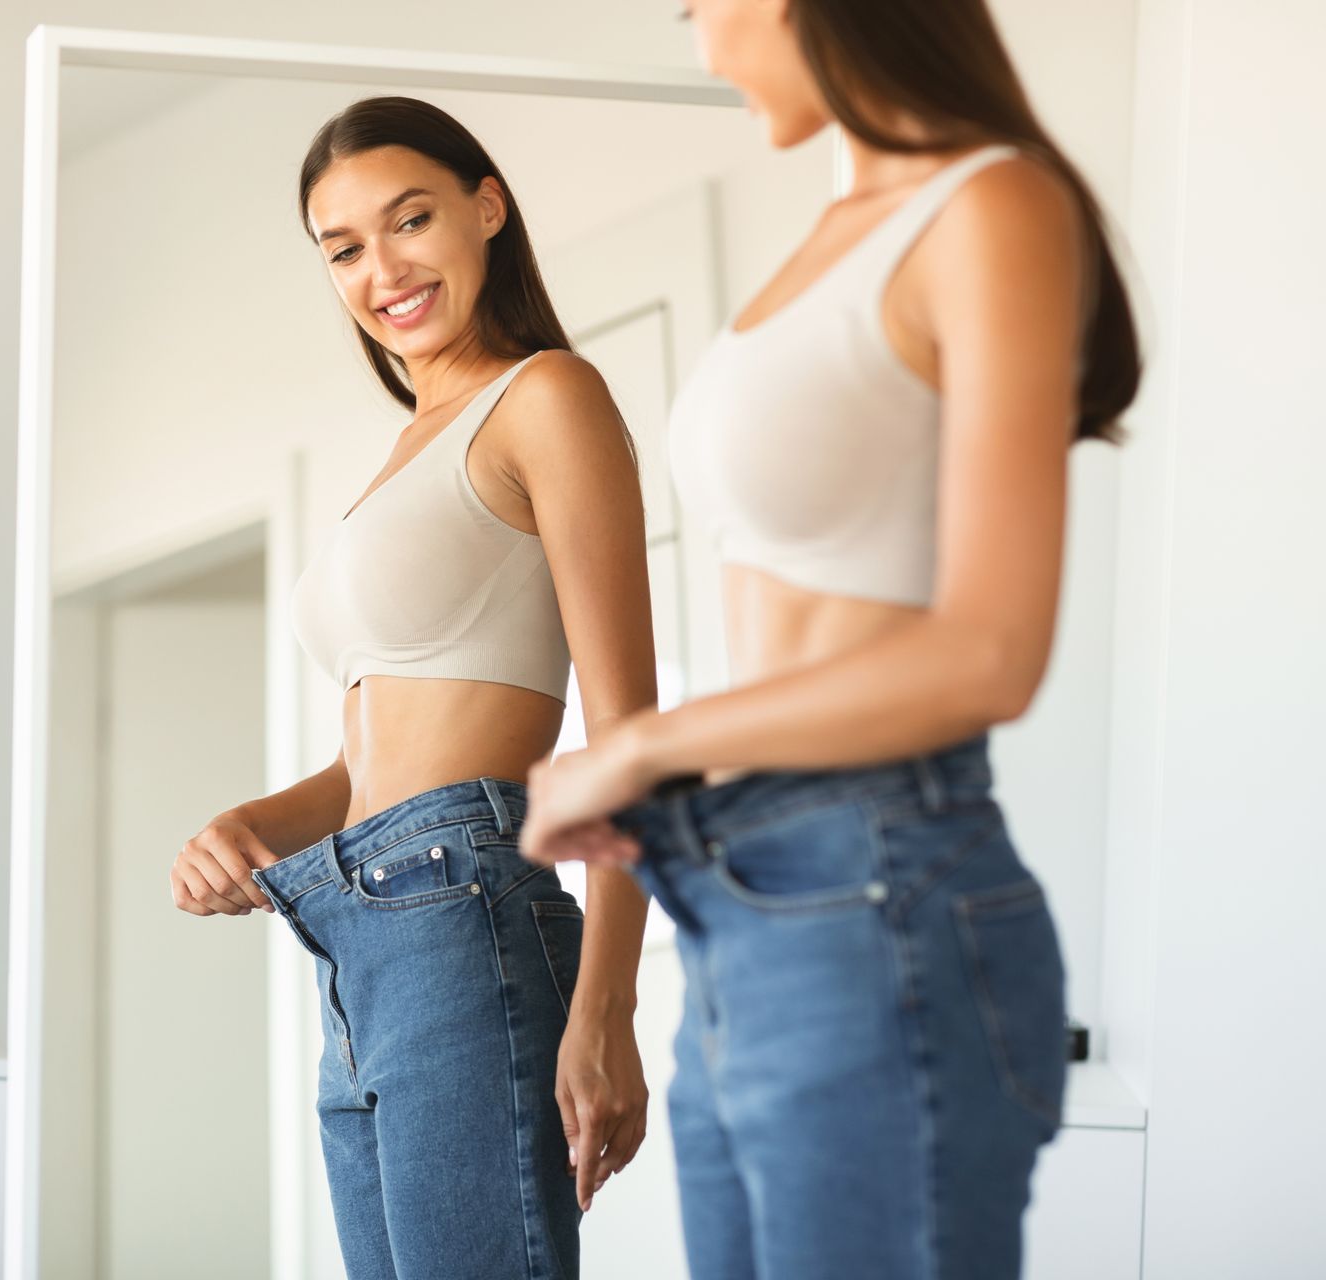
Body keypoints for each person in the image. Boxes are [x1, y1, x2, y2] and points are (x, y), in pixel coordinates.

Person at [517, 2, 1142, 1277]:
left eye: (698, 6)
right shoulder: (829, 236)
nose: (700, 45)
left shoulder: (992, 204)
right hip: (740, 900)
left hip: (880, 884)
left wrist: (641, 745)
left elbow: (991, 652)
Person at [169, 96, 658, 1279]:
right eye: (342, 248)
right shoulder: (405, 449)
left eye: (410, 220)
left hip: (462, 905)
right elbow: (375, 758)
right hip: (356, 930)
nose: (381, 269)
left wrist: (609, 1007)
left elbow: (629, 731)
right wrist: (252, 824)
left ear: (487, 208)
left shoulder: (546, 396)